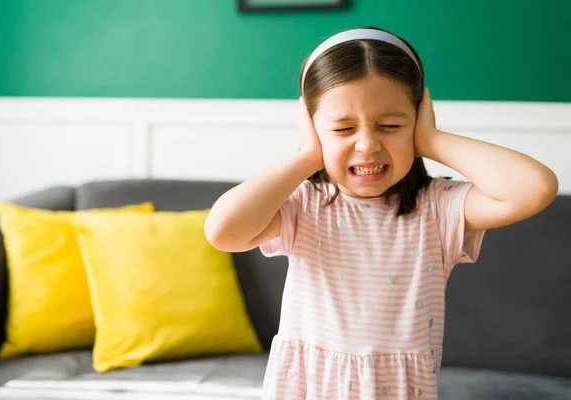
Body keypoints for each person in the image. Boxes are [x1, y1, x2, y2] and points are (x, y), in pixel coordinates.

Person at [204, 26, 558, 399]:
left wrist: (432, 141)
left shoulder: (437, 208)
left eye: (391, 125)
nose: (368, 145)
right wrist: (307, 157)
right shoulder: (303, 204)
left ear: (418, 119)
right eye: (342, 128)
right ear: (312, 128)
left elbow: (534, 189)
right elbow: (223, 231)